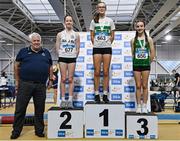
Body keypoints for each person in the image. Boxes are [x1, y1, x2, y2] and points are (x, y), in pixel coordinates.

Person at [10, 32, 53, 139]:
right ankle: (16, 131)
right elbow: (16, 66)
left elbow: (50, 67)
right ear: (31, 42)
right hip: (25, 84)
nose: (36, 43)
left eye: (38, 41)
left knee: (39, 109)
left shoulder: (46, 52)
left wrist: (51, 80)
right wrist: (17, 81)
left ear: (40, 41)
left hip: (41, 85)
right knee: (20, 109)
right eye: (34, 41)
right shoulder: (23, 52)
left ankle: (39, 131)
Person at [89, 2, 115, 103]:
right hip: (97, 48)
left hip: (107, 48)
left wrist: (107, 43)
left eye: (103, 7)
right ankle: (96, 94)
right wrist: (96, 43)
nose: (101, 9)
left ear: (105, 8)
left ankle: (104, 94)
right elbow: (91, 35)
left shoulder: (110, 21)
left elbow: (113, 35)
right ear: (97, 9)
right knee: (96, 71)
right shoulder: (93, 21)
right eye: (99, 7)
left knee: (105, 71)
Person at [131, 19, 155, 113]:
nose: (139, 28)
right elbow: (133, 53)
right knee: (138, 85)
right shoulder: (133, 40)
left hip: (145, 65)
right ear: (135, 28)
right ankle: (138, 106)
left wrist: (148, 62)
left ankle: (144, 106)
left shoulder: (149, 39)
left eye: (141, 26)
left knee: (144, 86)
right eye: (138, 26)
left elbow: (152, 52)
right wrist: (135, 61)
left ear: (144, 27)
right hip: (136, 65)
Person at [56, 15, 80, 108]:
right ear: (64, 22)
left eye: (70, 20)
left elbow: (78, 48)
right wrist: (61, 54)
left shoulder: (76, 34)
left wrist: (74, 56)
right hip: (62, 57)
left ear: (72, 22)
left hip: (71, 58)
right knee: (63, 78)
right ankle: (62, 100)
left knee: (70, 79)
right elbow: (57, 47)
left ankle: (69, 100)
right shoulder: (60, 34)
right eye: (67, 21)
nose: (69, 22)